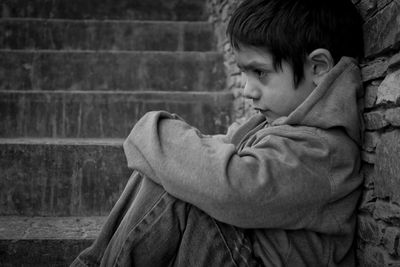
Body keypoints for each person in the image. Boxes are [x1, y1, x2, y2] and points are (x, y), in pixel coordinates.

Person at [71, 0, 364, 266]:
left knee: (185, 179)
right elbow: (210, 151)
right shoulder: (276, 125)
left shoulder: (324, 150)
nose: (248, 90)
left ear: (318, 67)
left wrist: (152, 130)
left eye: (260, 73)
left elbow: (231, 186)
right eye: (244, 74)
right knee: (177, 169)